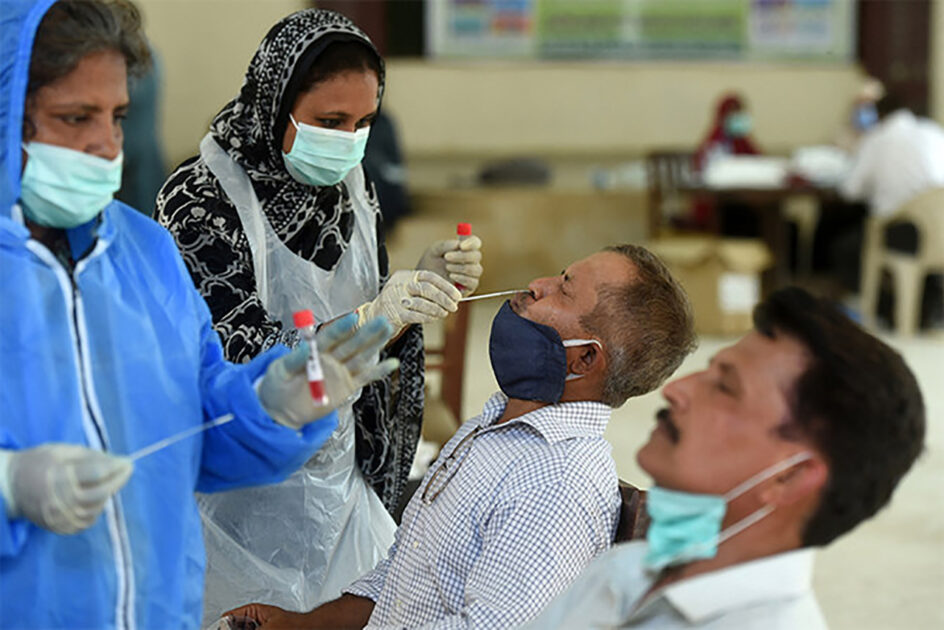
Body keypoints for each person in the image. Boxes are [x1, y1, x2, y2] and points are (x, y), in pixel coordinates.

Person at [0, 1, 397, 628]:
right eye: (75, 118)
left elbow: (199, 427)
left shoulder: (141, 255)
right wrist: (9, 485)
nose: (106, 146)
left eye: (118, 117)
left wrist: (271, 406)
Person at [153, 9, 484, 620]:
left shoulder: (353, 189)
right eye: (330, 122)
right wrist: (372, 317)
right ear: (276, 105)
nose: (347, 142)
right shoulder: (200, 199)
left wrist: (413, 292)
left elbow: (369, 313)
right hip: (235, 500)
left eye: (363, 123)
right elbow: (238, 358)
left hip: (339, 485)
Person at [223, 244, 698, 629]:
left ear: (586, 360)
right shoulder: (491, 431)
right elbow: (398, 586)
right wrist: (299, 625)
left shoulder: (557, 483)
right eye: (558, 272)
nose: (537, 285)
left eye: (564, 290)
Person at [527, 287, 925, 629]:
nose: (677, 390)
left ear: (788, 478)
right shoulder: (625, 572)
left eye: (725, 388)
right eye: (708, 372)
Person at [837, 94, 944, 326]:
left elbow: (850, 191)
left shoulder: (878, 139)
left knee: (845, 249)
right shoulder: (933, 132)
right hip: (940, 229)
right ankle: (929, 312)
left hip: (905, 231)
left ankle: (887, 312)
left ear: (879, 115)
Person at [692, 93, 762, 234]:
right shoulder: (714, 141)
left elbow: (758, 162)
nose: (739, 118)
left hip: (744, 202)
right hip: (719, 206)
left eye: (740, 113)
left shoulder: (743, 141)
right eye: (733, 113)